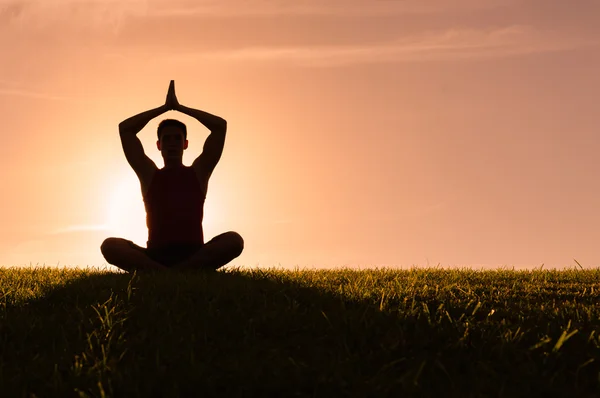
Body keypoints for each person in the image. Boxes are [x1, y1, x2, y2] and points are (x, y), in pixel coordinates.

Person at [101, 81, 244, 272]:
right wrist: (163, 109)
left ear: (185, 144)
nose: (172, 143)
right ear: (159, 145)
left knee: (234, 240)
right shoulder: (149, 174)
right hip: (156, 256)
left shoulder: (199, 172)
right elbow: (125, 129)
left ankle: (169, 274)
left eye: (177, 138)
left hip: (194, 253)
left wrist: (180, 108)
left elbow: (220, 127)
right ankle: (176, 273)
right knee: (110, 245)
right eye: (166, 139)